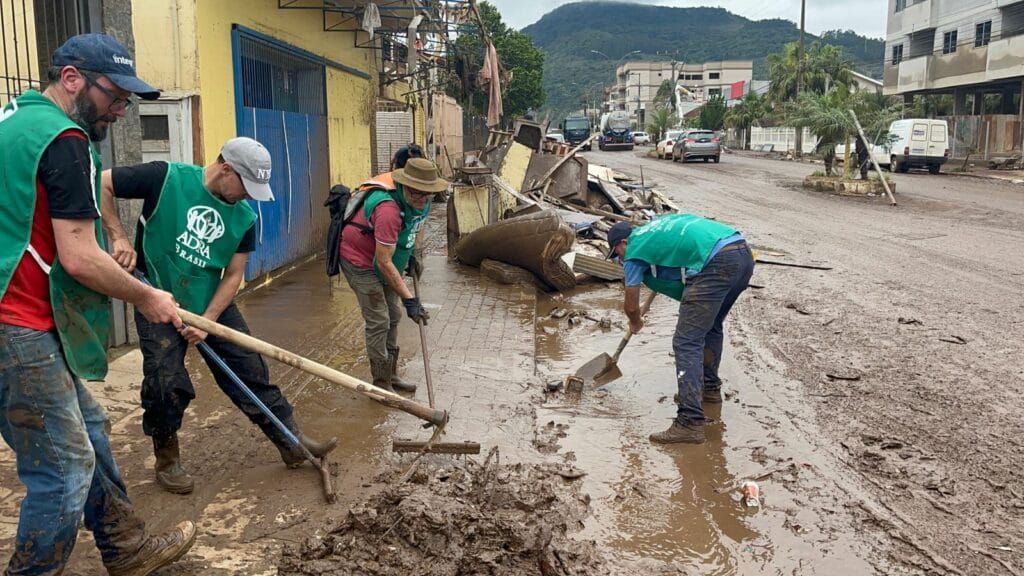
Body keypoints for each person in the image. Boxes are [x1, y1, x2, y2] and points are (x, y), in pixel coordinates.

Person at [0, 33, 195, 575]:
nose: (121, 110)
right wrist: (149, 296)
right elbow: (81, 258)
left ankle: (123, 545)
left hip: (21, 316)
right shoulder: (63, 139)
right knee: (64, 466)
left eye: (127, 101)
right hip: (15, 322)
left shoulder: (14, 120)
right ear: (72, 80)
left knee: (87, 430)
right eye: (114, 96)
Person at [99, 137, 338, 495]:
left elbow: (233, 275)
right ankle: (167, 458)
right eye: (246, 186)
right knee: (165, 380)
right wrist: (118, 236)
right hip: (157, 295)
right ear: (226, 169)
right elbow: (101, 181)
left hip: (212, 301)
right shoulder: (165, 178)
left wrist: (206, 321)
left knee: (250, 370)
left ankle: (290, 441)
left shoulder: (244, 218)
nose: (248, 197)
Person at [606, 214, 754, 445]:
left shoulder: (634, 252)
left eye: (617, 254)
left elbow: (631, 304)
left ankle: (689, 422)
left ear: (622, 243)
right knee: (711, 326)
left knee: (686, 341)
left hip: (715, 262)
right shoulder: (655, 230)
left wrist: (635, 322)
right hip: (741, 254)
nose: (620, 260)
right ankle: (709, 389)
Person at [340, 156, 448, 393]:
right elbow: (384, 261)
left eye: (426, 194)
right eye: (415, 193)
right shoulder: (388, 209)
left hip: (384, 255)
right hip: (359, 260)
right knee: (379, 319)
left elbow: (411, 228)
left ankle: (392, 374)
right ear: (405, 186)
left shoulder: (423, 202)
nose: (421, 199)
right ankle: (381, 384)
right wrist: (410, 299)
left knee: (393, 314)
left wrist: (411, 255)